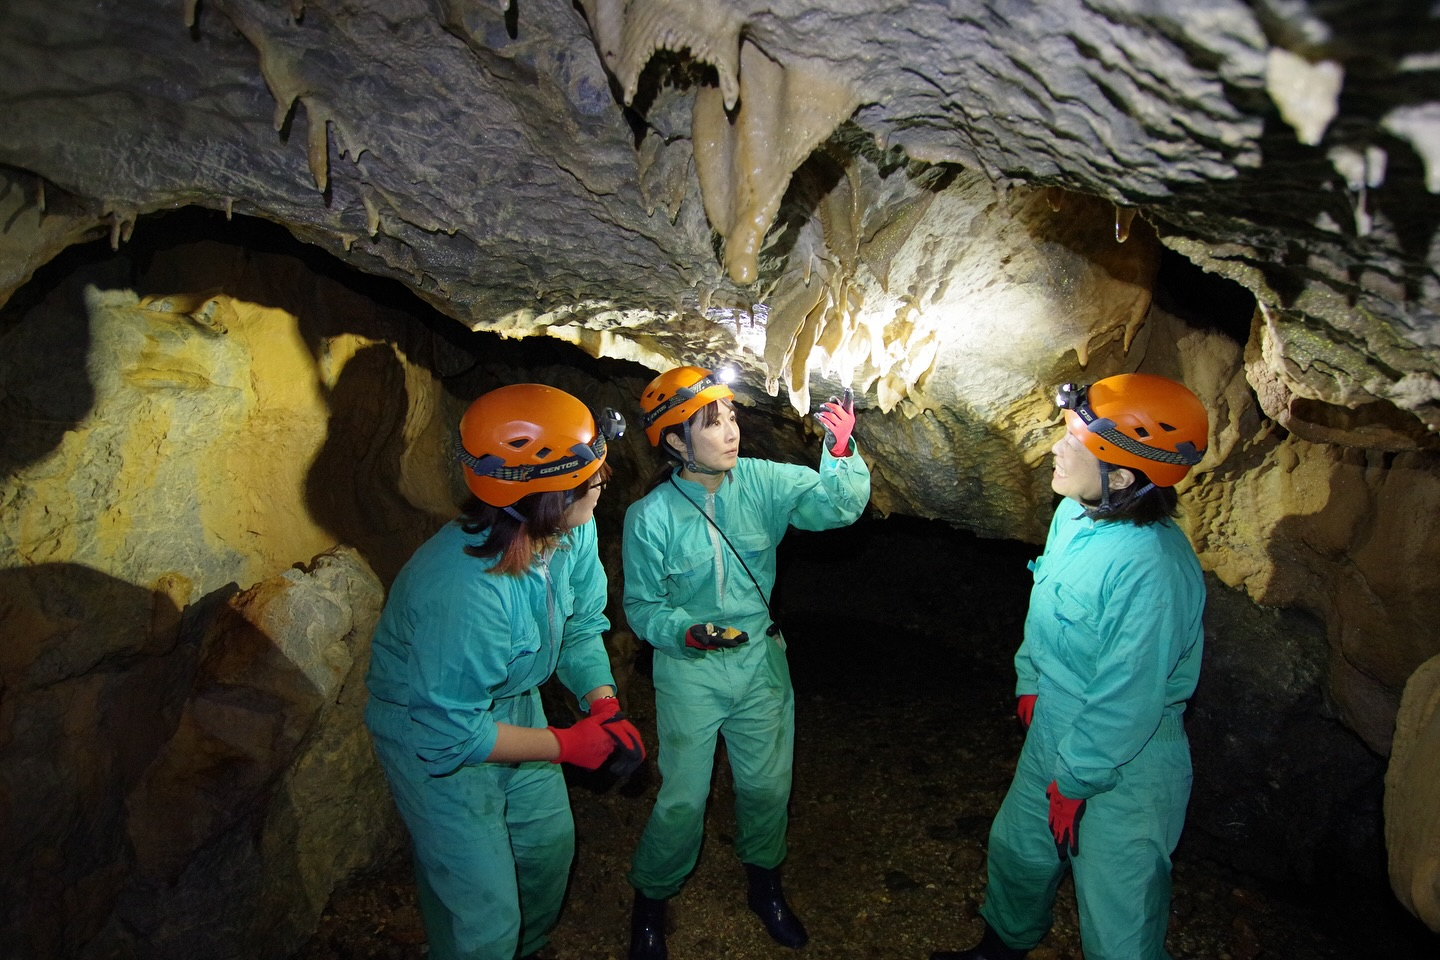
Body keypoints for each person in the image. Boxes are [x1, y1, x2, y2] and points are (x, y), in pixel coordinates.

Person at [931, 373, 1209, 960]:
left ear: (1125, 476)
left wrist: (1078, 780)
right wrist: (1030, 678)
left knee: (1119, 918)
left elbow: (1128, 695)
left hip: (1126, 757)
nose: (1056, 448)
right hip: (1057, 725)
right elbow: (1045, 604)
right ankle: (1003, 946)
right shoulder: (1075, 515)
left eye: (1075, 443)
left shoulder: (1151, 569)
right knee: (1018, 852)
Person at [364, 383, 645, 960]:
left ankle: (523, 948)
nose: (603, 481)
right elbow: (448, 734)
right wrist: (567, 745)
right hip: (432, 731)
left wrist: (603, 705)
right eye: (590, 475)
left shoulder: (572, 529)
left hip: (514, 705)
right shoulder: (467, 590)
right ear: (546, 495)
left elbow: (582, 625)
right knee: (486, 914)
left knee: (547, 854)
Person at [622, 365, 871, 959]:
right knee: (683, 797)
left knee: (766, 786)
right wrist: (688, 632)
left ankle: (766, 888)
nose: (731, 431)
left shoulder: (761, 482)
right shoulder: (650, 517)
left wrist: (840, 451)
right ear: (677, 443)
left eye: (731, 416)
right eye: (711, 424)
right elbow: (641, 607)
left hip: (760, 661)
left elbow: (836, 507)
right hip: (691, 671)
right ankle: (651, 902)